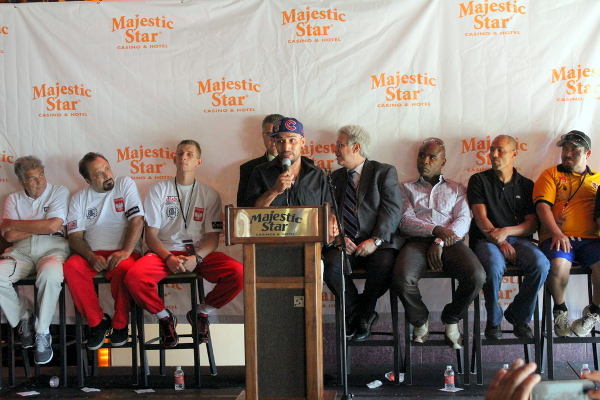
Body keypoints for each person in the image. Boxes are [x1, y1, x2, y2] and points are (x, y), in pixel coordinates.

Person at [124, 139, 243, 348]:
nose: (183, 157)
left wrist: (196, 258)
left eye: (189, 154)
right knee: (134, 278)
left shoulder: (209, 194)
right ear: (174, 159)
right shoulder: (158, 189)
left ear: (199, 161)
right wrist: (168, 257)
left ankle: (201, 312)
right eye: (180, 153)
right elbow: (150, 235)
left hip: (198, 253)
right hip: (165, 252)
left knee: (238, 273)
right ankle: (165, 317)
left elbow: (213, 238)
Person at [391, 138, 486, 349]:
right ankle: (420, 319)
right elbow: (405, 221)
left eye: (432, 157)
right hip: (416, 242)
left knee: (477, 276)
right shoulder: (405, 188)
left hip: (450, 243)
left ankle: (451, 318)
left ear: (443, 162)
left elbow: (464, 219)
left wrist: (440, 240)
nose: (425, 161)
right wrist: (436, 230)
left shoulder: (457, 188)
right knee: (401, 279)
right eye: (421, 156)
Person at [322, 125, 403, 341]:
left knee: (385, 266)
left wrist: (375, 240)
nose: (335, 149)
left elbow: (393, 210)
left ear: (356, 147)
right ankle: (359, 313)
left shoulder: (383, 172)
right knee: (330, 267)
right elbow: (328, 213)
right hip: (345, 243)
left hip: (377, 243)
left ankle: (364, 311)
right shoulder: (333, 178)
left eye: (340, 145)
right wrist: (339, 238)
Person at [467, 135, 549, 339]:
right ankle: (493, 321)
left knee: (541, 265)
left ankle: (519, 316)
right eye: (492, 149)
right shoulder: (478, 180)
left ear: (514, 154)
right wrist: (500, 241)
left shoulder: (526, 184)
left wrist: (507, 232)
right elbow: (480, 217)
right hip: (486, 239)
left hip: (518, 239)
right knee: (493, 265)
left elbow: (531, 224)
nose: (494, 154)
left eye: (500, 150)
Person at [63, 152, 144, 350]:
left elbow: (137, 219)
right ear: (88, 180)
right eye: (99, 173)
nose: (107, 175)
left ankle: (120, 324)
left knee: (124, 268)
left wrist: (126, 251)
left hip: (123, 251)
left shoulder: (124, 184)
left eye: (107, 168)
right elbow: (75, 237)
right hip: (93, 254)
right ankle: (97, 322)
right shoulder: (79, 198)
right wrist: (91, 256)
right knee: (71, 267)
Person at [0, 156, 69, 364]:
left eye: (41, 175)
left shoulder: (59, 191)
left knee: (51, 274)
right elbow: (9, 235)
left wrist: (17, 224)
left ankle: (42, 332)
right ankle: (23, 318)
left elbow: (52, 226)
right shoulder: (13, 198)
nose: (40, 181)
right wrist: (43, 226)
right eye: (32, 178)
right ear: (21, 182)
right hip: (20, 252)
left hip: (52, 248)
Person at [533, 130, 600, 338]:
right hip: (558, 237)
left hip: (592, 240)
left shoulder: (598, 180)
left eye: (575, 150)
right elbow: (542, 206)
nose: (568, 153)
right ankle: (560, 310)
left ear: (588, 154)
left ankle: (594, 312)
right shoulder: (550, 174)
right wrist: (556, 232)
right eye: (565, 149)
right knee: (559, 264)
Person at [244, 117, 334, 208]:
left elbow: (329, 210)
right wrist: (274, 190)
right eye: (280, 141)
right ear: (275, 144)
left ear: (302, 142)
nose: (286, 147)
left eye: (292, 140)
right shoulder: (261, 172)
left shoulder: (317, 174)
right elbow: (249, 211)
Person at [236, 113, 284, 207]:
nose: (274, 139)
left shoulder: (304, 167)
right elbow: (243, 208)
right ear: (263, 136)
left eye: (278, 134)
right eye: (270, 134)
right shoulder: (248, 168)